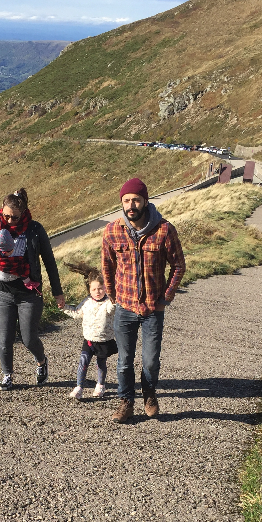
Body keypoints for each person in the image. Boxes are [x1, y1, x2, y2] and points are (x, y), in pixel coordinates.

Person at [102, 178, 186, 423]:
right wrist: (113, 295)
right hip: (125, 307)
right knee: (124, 360)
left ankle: (149, 393)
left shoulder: (164, 230)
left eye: (136, 200)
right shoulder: (112, 231)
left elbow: (179, 266)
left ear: (146, 201)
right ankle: (125, 401)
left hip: (152, 309)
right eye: (126, 200)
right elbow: (107, 266)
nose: (131, 205)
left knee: (150, 360)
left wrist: (165, 299)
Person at [0, 187, 65, 391]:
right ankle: (7, 376)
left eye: (15, 218)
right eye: (7, 216)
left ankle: (41, 361)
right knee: (5, 338)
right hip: (2, 292)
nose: (10, 222)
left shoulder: (35, 229)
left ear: (24, 213)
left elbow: (49, 262)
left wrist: (57, 292)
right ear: (2, 209)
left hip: (29, 293)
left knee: (28, 338)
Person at [61, 261, 117, 400]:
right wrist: (63, 307)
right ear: (89, 290)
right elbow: (76, 312)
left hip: (104, 340)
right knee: (83, 362)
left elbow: (113, 308)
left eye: (100, 288)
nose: (97, 292)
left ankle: (101, 385)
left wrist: (114, 297)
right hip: (89, 340)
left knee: (101, 364)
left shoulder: (109, 303)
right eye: (94, 289)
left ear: (105, 287)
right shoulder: (86, 302)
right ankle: (79, 387)